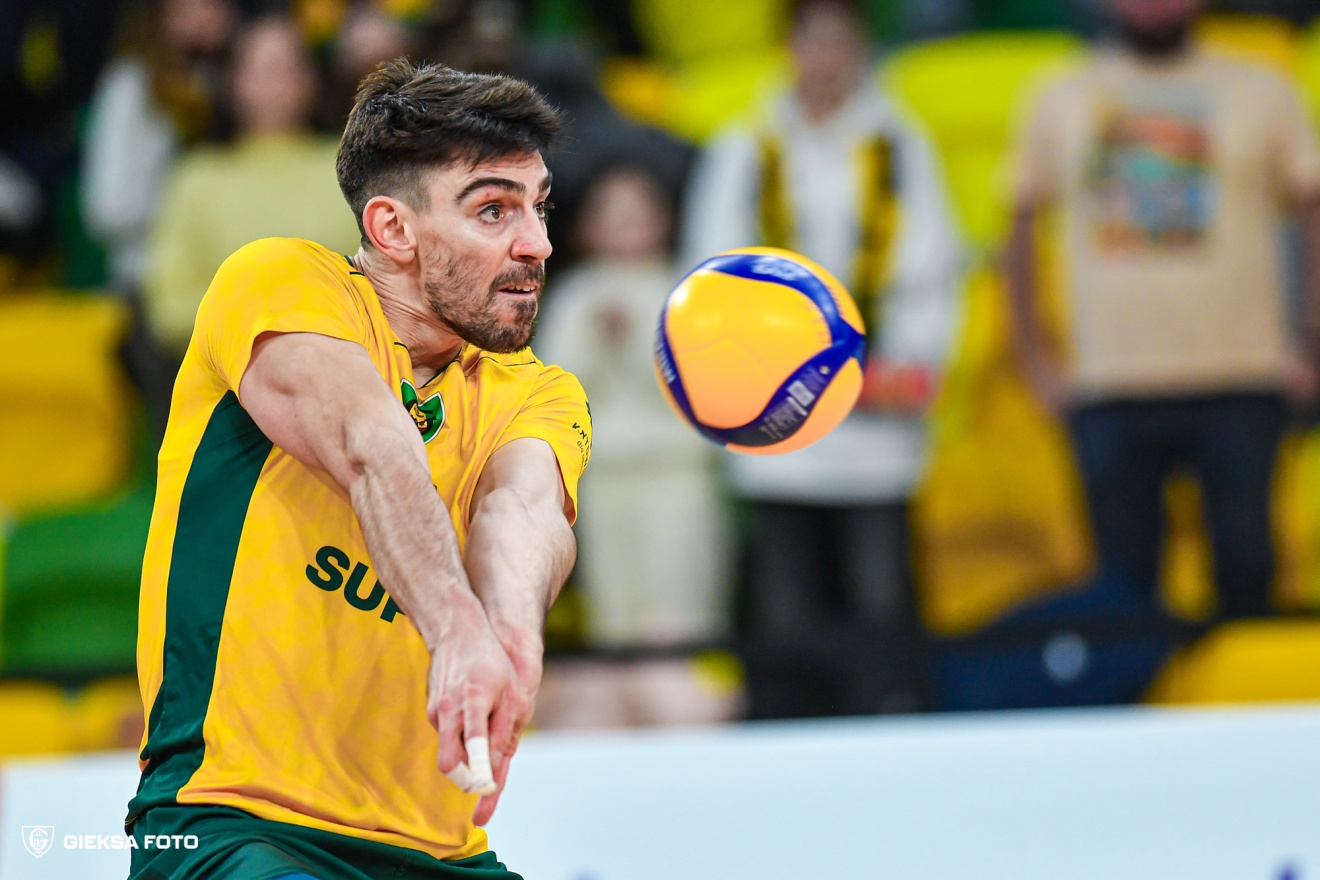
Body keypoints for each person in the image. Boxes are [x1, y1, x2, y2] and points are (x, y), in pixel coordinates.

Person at [126, 59, 589, 880]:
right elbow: (371, 444)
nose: (537, 244)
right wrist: (456, 628)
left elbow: (521, 510)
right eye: (494, 210)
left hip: (441, 853)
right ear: (393, 229)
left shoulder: (540, 391)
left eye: (538, 206)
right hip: (231, 824)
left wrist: (512, 635)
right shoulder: (277, 280)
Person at [680, 0, 962, 718]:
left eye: (841, 40)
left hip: (876, 405)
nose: (827, 57)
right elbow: (714, 268)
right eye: (814, 39)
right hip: (777, 405)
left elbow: (933, 267)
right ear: (789, 47)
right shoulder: (747, 146)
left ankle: (888, 717)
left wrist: (908, 358)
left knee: (880, 586)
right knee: (784, 592)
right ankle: (788, 726)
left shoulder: (901, 145)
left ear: (861, 48)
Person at [1006, 0, 1320, 621]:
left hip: (1241, 373)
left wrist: (1313, 338)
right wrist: (1035, 358)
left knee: (1247, 570)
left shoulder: (1262, 89)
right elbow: (1018, 228)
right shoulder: (1061, 93)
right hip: (1109, 381)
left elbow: (1311, 211)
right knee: (1123, 591)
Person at [533, 164, 738, 729]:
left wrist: (633, 343)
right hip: (605, 474)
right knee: (614, 607)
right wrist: (597, 342)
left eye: (636, 212)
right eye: (610, 213)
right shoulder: (573, 294)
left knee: (678, 599)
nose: (623, 226)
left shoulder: (686, 291)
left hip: (675, 469)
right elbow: (558, 385)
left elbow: (702, 386)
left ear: (662, 221)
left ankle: (690, 716)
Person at [142, 14, 361, 359]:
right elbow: (168, 306)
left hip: (343, 362)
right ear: (233, 81)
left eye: (286, 67)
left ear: (311, 81)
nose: (273, 82)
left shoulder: (349, 167)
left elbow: (380, 284)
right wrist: (263, 319)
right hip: (225, 372)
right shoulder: (197, 177)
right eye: (259, 68)